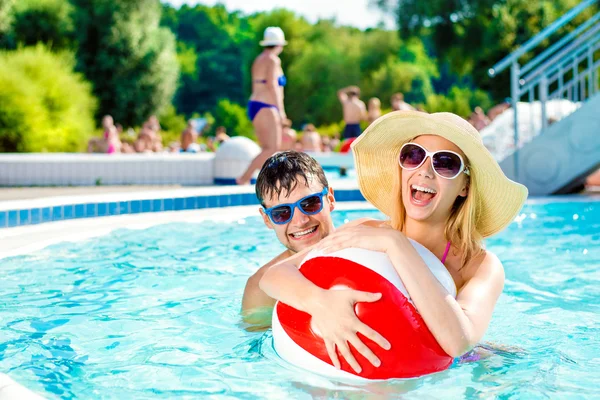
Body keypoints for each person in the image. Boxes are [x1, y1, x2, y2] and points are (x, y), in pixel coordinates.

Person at [259, 111, 528, 373]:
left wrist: (396, 244)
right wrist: (321, 303)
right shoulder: (365, 231)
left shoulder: (479, 265)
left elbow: (459, 342)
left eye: (446, 163)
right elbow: (274, 276)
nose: (425, 171)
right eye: (413, 156)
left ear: (465, 187)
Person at [241, 150, 338, 327]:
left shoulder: (370, 244)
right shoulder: (261, 292)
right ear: (267, 219)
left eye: (310, 203)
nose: (300, 221)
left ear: (330, 199)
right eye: (281, 213)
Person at [237, 27, 288, 185]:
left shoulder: (259, 59)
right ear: (279, 45)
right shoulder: (273, 60)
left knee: (268, 148)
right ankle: (244, 178)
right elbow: (273, 86)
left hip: (256, 105)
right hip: (267, 106)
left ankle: (265, 180)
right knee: (272, 148)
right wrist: (281, 112)